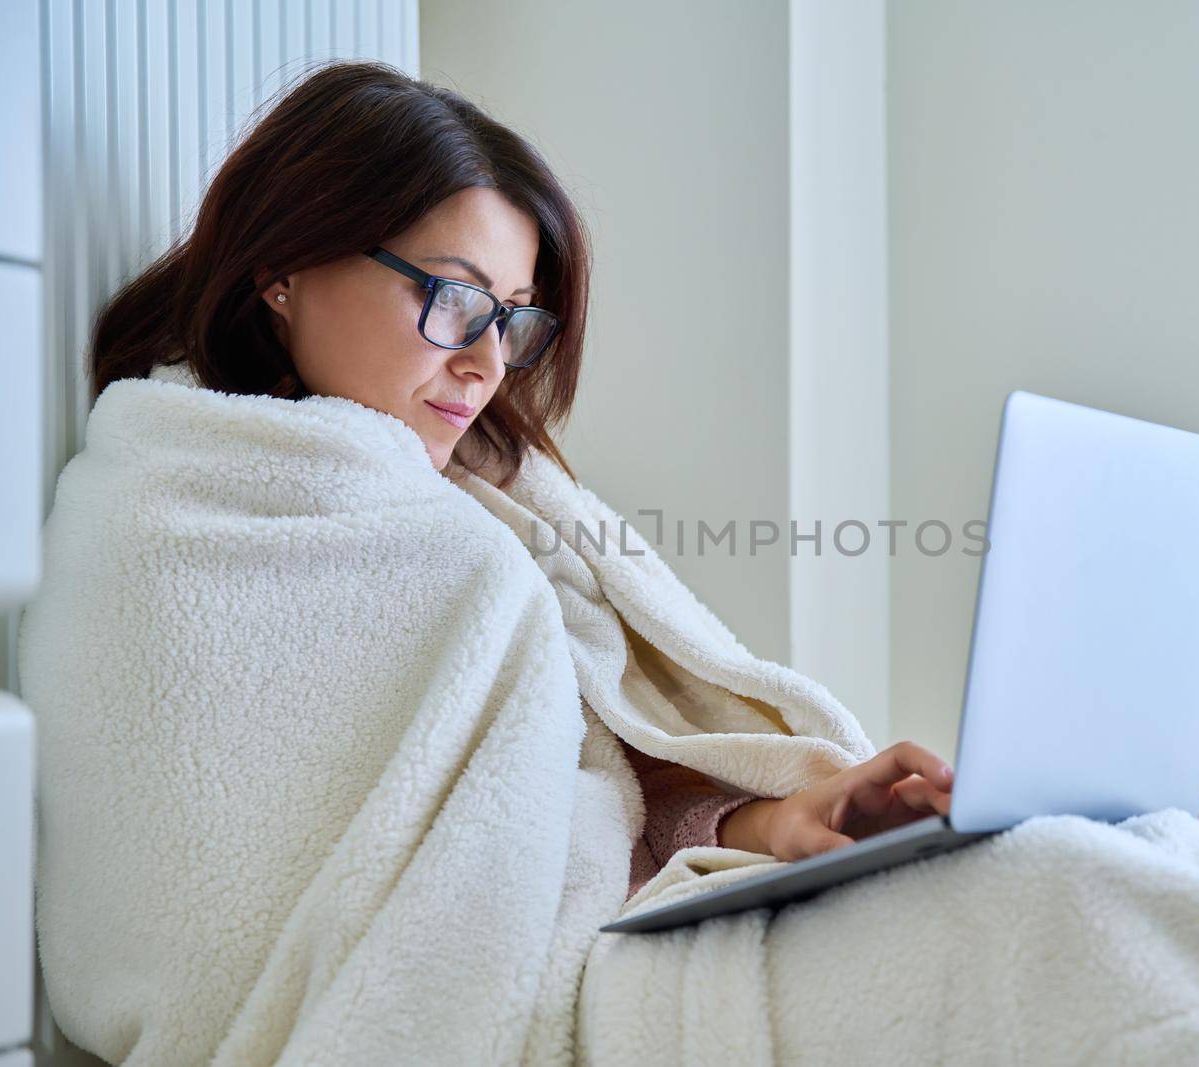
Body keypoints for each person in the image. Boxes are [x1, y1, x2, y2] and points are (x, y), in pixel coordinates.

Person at [84, 58, 953, 896]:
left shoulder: (496, 495)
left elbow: (618, 786)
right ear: (283, 266)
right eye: (453, 298)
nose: (487, 364)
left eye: (510, 318)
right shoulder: (183, 505)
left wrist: (787, 822)